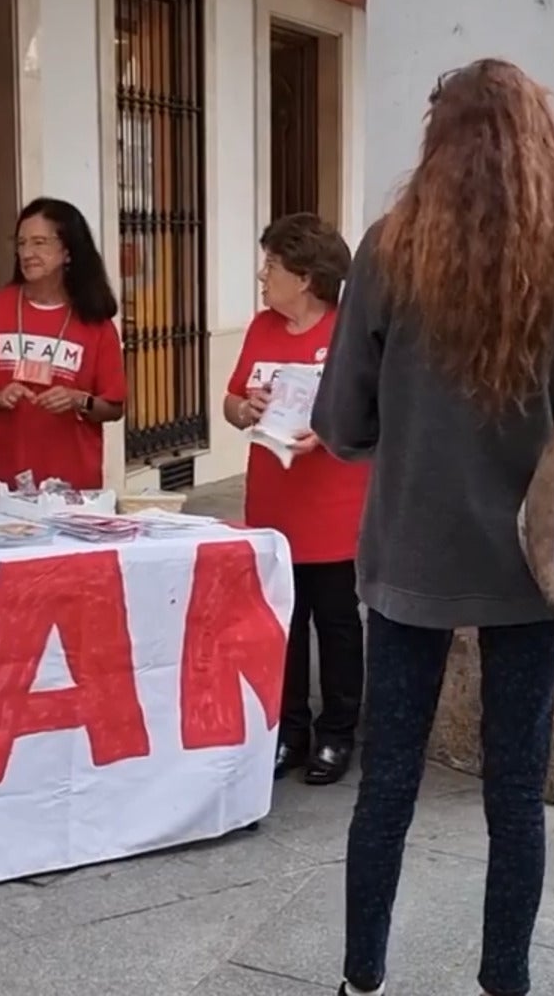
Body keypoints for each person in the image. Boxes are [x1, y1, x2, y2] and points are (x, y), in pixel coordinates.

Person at [312, 58, 554, 996]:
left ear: (437, 138)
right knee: (515, 790)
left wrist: (409, 429)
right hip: (536, 566)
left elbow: (341, 422)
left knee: (389, 781)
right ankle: (506, 981)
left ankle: (362, 979)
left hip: (410, 548)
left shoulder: (391, 250)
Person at [223, 213, 368, 786]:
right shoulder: (260, 328)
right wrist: (245, 409)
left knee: (335, 622)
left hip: (332, 504)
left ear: (305, 277)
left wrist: (328, 433)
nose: (263, 276)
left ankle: (337, 733)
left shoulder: (345, 333)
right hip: (272, 502)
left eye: (273, 267)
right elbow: (233, 402)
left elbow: (370, 410)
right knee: (282, 621)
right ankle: (289, 729)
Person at [0, 198, 126, 497]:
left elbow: (113, 408)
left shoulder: (96, 324)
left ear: (68, 251)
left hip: (71, 485)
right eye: (21, 243)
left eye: (40, 242)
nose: (28, 253)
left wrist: (79, 400)